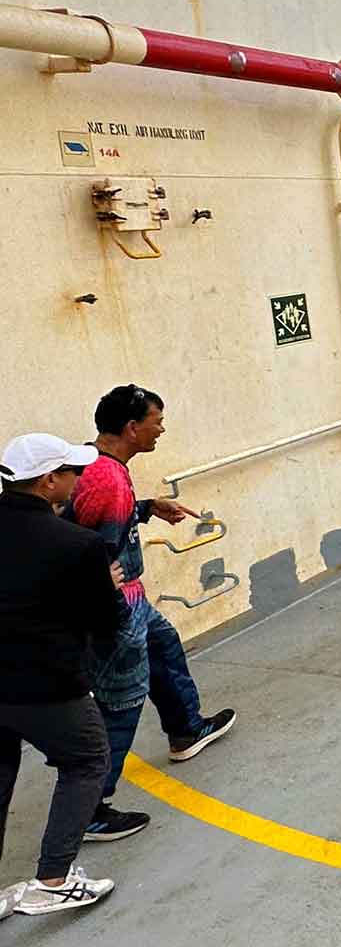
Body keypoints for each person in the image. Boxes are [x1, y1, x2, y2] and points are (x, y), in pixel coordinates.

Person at [68, 385, 236, 842]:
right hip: (117, 609)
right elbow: (92, 549)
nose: (161, 429)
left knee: (163, 648)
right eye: (156, 421)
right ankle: (90, 809)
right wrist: (107, 605)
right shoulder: (107, 479)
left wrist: (145, 508)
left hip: (133, 600)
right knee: (121, 702)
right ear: (131, 427)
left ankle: (186, 729)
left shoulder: (95, 466)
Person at [0, 434, 123, 918]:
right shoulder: (79, 544)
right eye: (72, 472)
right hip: (47, 683)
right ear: (49, 480)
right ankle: (53, 879)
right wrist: (105, 585)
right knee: (87, 759)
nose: (79, 479)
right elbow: (105, 623)